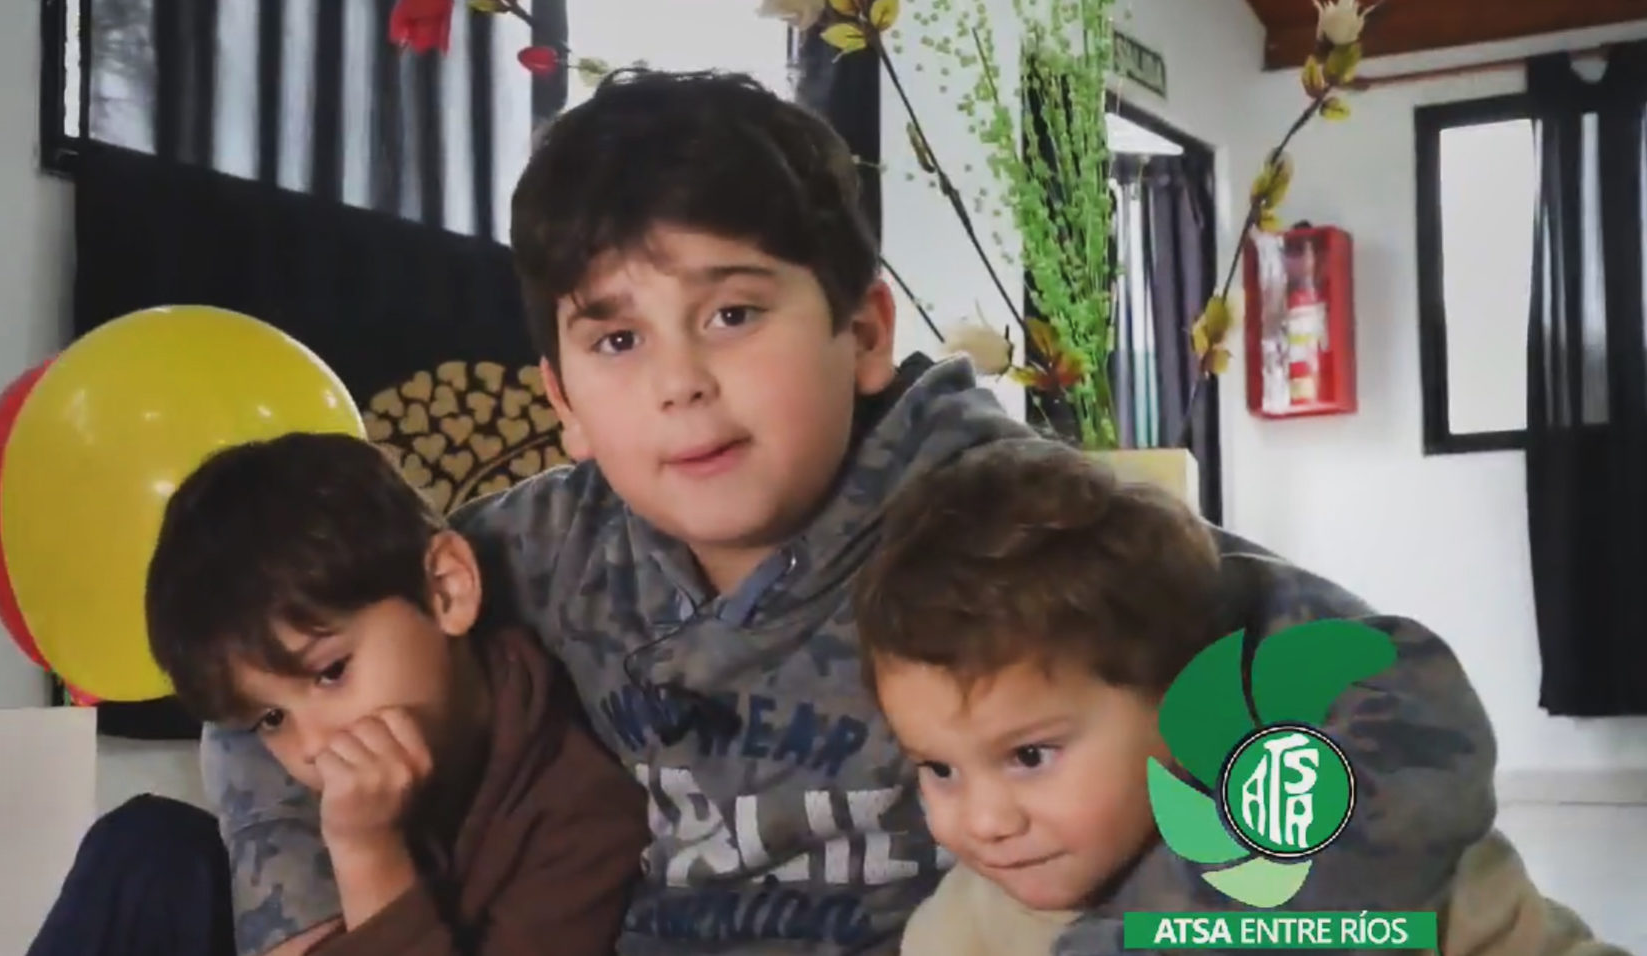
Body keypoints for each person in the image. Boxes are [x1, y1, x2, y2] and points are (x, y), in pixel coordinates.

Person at [201, 69, 1496, 956]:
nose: (679, 382)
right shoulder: (540, 549)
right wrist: (299, 912)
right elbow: (271, 659)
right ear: (562, 399)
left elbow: (1387, 696)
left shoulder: (1001, 515)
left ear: (864, 330)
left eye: (733, 312)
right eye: (617, 340)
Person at [852, 441, 1623, 956]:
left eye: (1029, 756)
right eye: (939, 770)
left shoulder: (1364, 856)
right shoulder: (955, 934)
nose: (985, 821)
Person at [139, 432, 649, 956]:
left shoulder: (583, 821)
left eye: (331, 672)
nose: (312, 746)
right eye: (271, 718)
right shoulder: (322, 786)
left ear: (446, 589)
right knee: (141, 845)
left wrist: (369, 856)